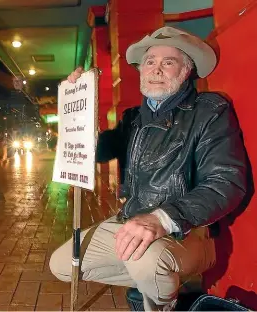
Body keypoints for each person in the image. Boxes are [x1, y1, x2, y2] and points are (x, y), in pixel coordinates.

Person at [49, 26, 248, 311]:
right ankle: (160, 281)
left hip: (189, 229)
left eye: (168, 62)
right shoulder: (133, 118)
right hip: (130, 220)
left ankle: (163, 302)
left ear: (186, 71)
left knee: (146, 263)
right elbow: (98, 150)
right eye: (150, 62)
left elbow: (227, 182)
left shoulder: (209, 111)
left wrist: (162, 218)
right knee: (64, 264)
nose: (156, 69)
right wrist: (77, 102)